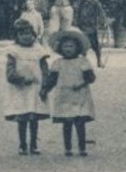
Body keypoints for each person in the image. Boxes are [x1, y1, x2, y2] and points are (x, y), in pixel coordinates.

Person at [40, 27, 96, 157]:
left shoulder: (82, 62)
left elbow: (91, 78)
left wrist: (81, 83)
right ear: (60, 48)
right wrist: (45, 90)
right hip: (64, 96)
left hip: (80, 95)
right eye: (65, 46)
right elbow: (51, 80)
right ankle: (68, 148)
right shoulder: (57, 63)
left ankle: (82, 148)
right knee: (67, 122)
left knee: (80, 122)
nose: (68, 49)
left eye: (71, 46)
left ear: (77, 47)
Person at [4, 18, 50, 155]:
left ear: (34, 35)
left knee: (33, 116)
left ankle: (34, 144)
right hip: (20, 89)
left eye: (29, 34)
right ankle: (22, 144)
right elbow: (10, 72)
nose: (26, 36)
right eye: (22, 34)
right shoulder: (13, 51)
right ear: (16, 36)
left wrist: (45, 86)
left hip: (35, 88)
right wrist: (21, 79)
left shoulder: (39, 50)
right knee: (22, 116)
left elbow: (45, 69)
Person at [75, 0, 107, 68]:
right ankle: (83, 62)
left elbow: (101, 13)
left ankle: (99, 61)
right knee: (82, 45)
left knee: (95, 46)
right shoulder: (81, 2)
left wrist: (103, 22)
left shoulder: (95, 2)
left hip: (91, 27)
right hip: (82, 26)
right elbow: (77, 13)